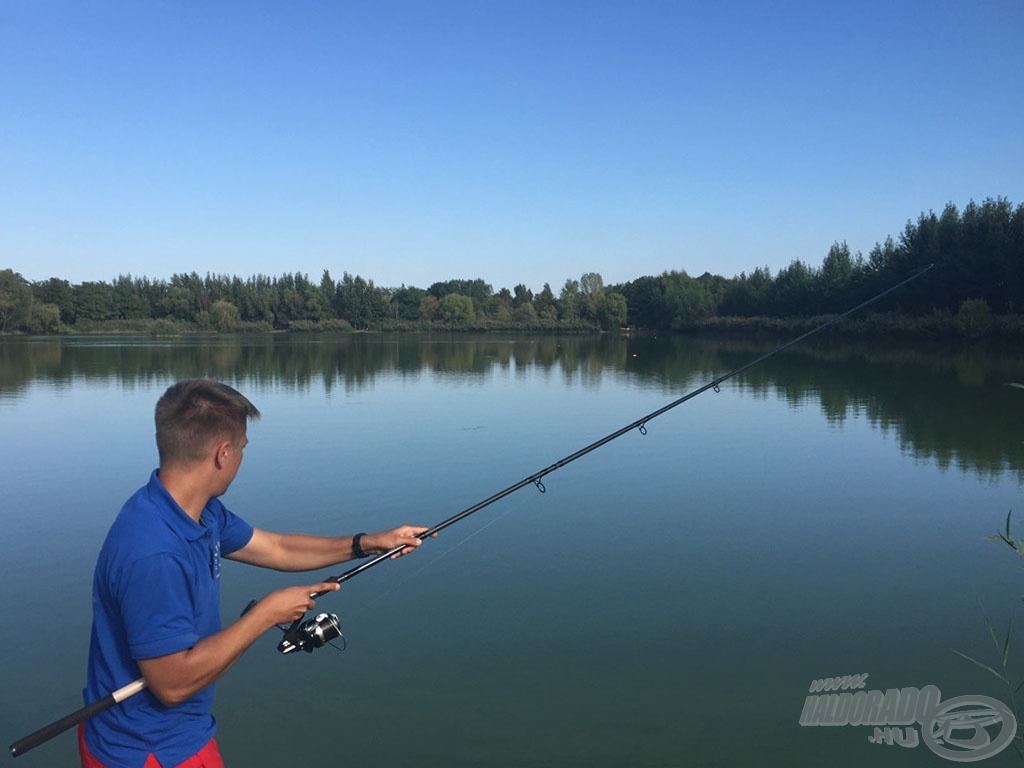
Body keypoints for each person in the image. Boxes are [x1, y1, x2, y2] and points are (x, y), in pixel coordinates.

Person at [81, 379, 429, 768]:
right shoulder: (153, 553)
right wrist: (265, 615)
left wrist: (367, 542)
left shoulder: (192, 509)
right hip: (151, 750)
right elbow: (172, 685)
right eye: (243, 447)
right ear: (223, 453)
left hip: (164, 735)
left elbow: (278, 548)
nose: (243, 456)